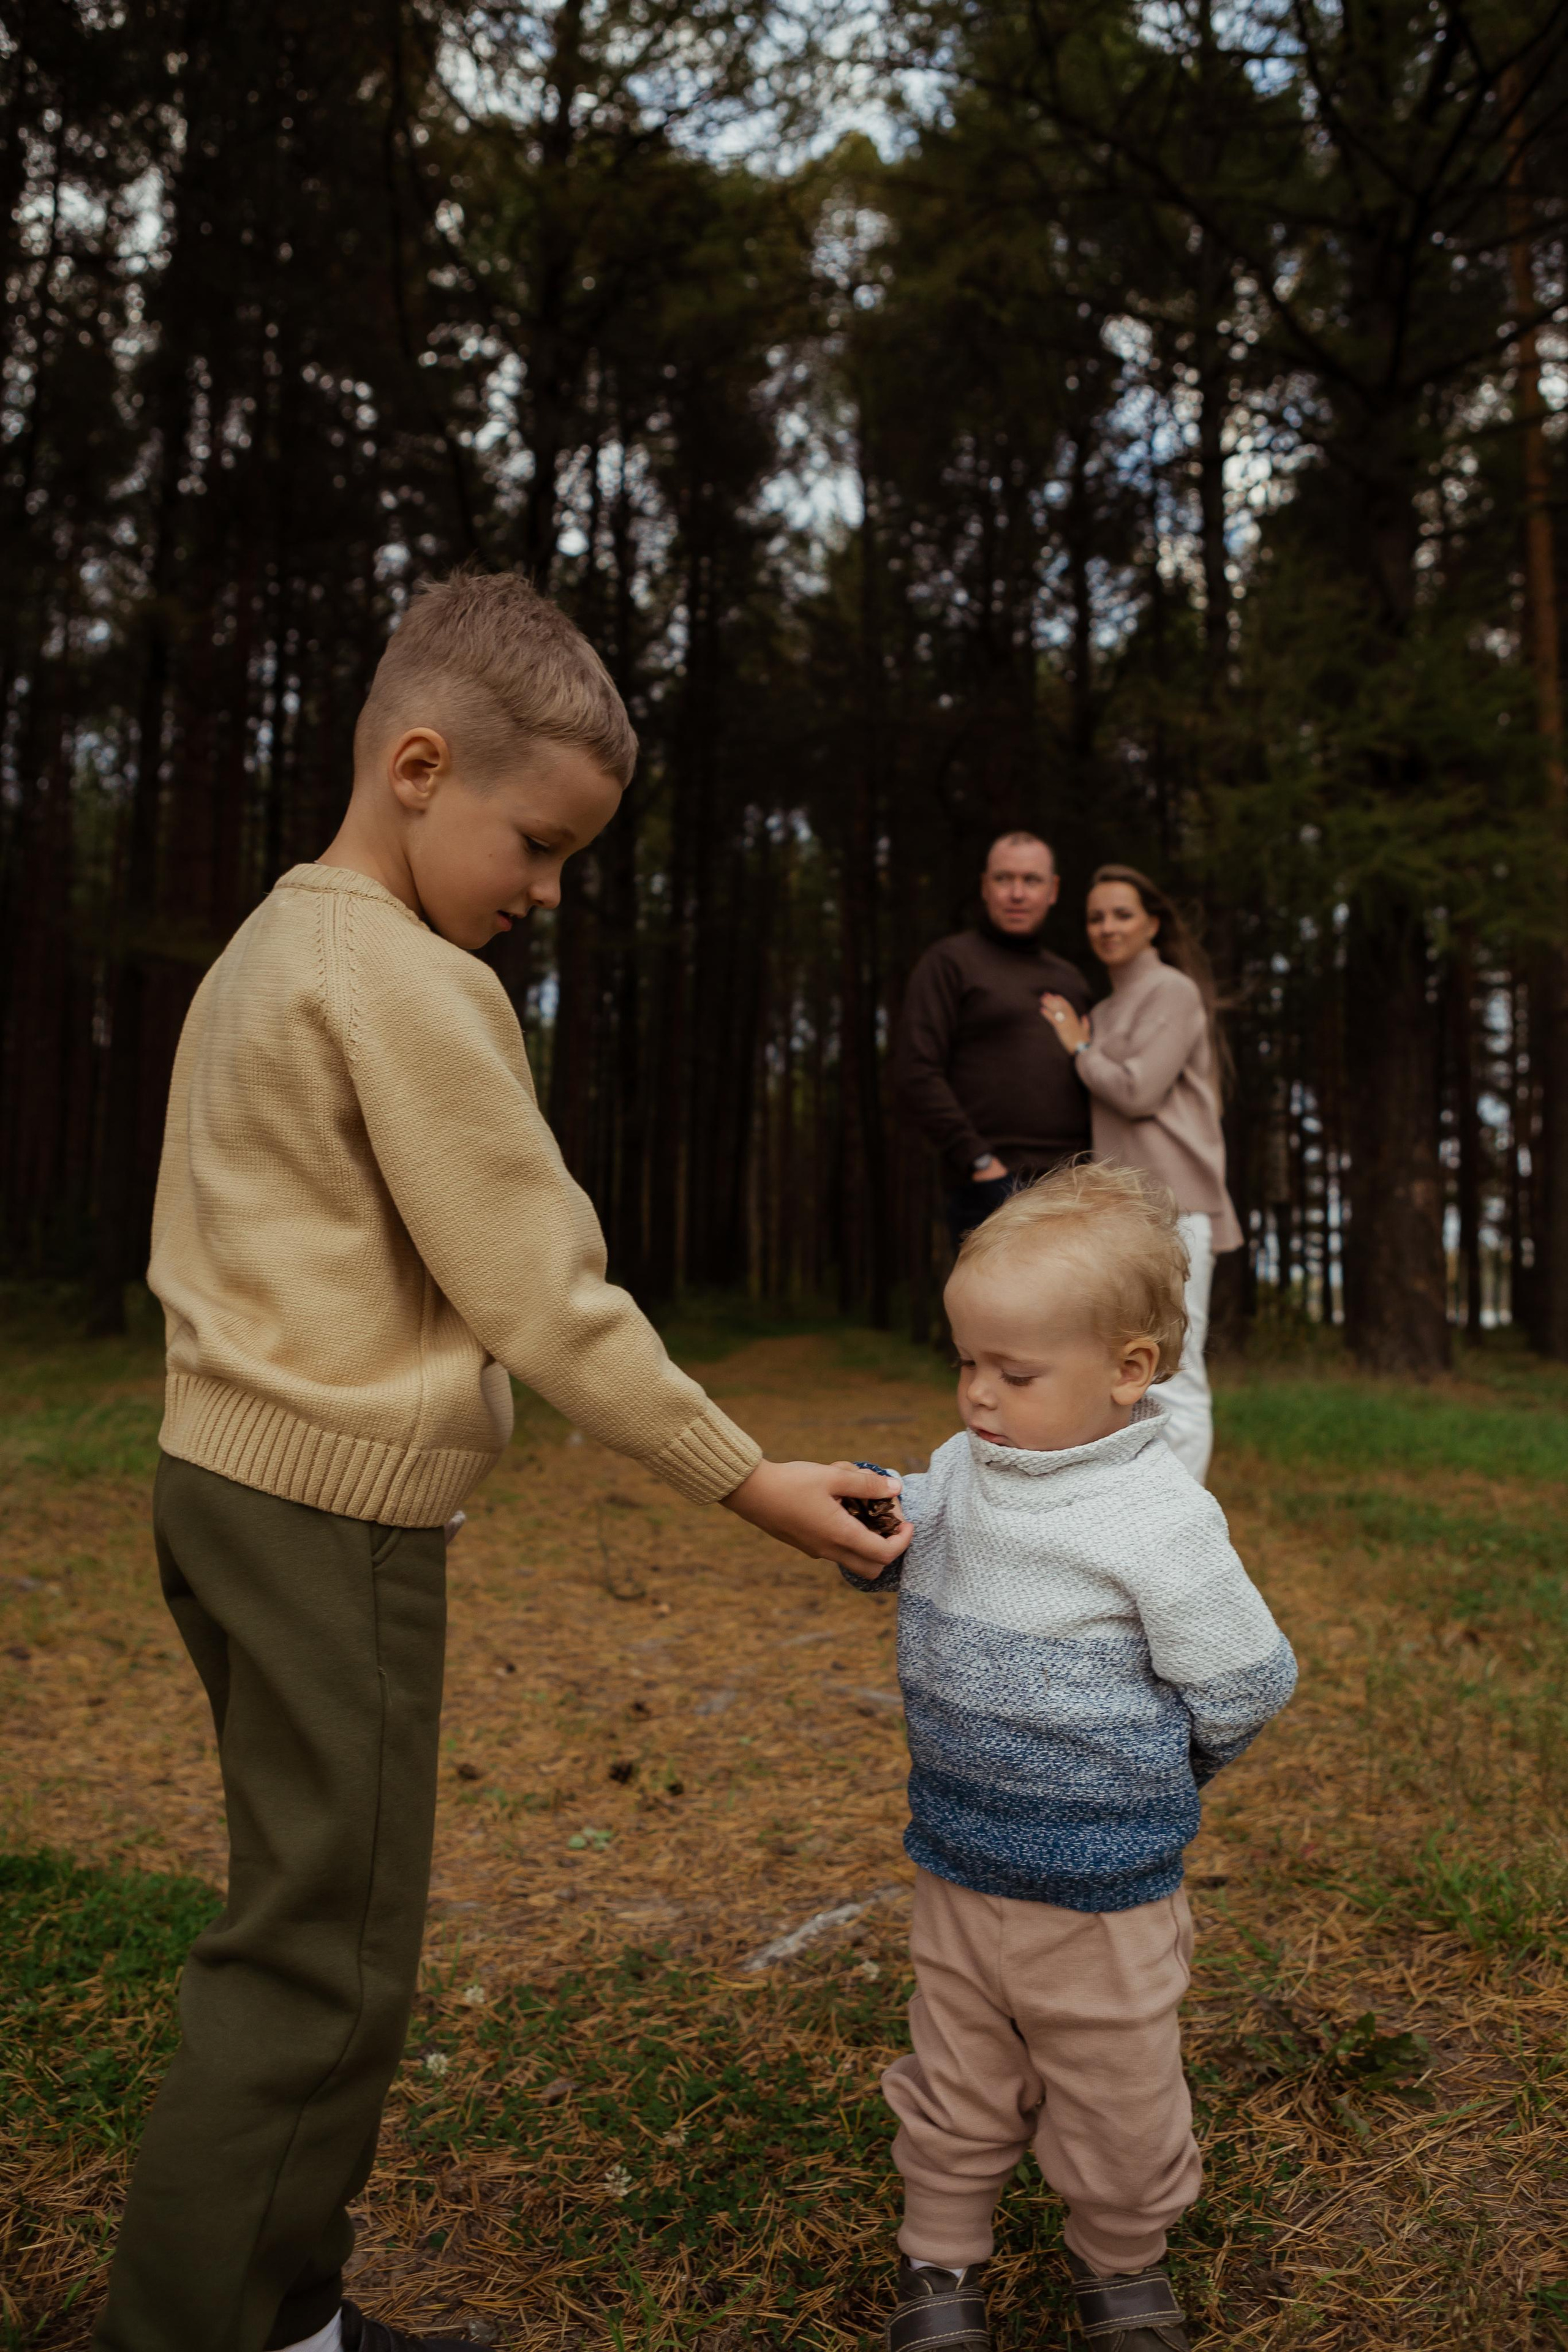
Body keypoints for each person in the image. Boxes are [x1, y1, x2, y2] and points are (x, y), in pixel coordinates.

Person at [99, 571, 910, 2352]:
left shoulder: (268, 944)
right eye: (535, 842)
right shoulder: (410, 980)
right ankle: (210, 2326)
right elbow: (543, 1294)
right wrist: (745, 1473)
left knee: (300, 1908)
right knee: (321, 1956)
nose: (543, 891)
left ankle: (283, 2309)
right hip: (324, 1512)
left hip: (219, 1481)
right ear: (415, 763)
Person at [842, 1164, 1295, 2352]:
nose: (978, 1396)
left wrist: (1155, 1779)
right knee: (954, 2078)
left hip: (1102, 1894)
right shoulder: (964, 1473)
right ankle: (940, 2263)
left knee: (1115, 2097)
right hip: (956, 1861)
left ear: (1128, 1370)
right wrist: (873, 1523)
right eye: (964, 1363)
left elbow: (1248, 1680)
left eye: (1014, 1372)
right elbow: (914, 1519)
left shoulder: (1155, 1520)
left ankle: (1119, 2262)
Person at [1040, 865, 1242, 1486]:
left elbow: (1137, 1091)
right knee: (1130, 1371)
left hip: (1177, 1209)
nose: (1107, 927)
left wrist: (1077, 1048)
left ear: (1152, 923)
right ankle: (1141, 1512)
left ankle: (1179, 1535)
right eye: (1096, 917)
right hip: (1124, 1215)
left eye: (1121, 914)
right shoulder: (1103, 1008)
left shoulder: (1172, 991)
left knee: (1176, 1375)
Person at [894, 831, 1092, 1253]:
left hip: (1073, 1189)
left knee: (1073, 1321)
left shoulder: (1071, 980)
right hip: (991, 1187)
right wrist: (979, 1161)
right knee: (998, 1321)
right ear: (985, 887)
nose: (1017, 893)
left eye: (1032, 880)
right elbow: (917, 1071)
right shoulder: (950, 963)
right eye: (1004, 879)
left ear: (1053, 890)